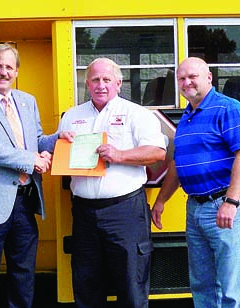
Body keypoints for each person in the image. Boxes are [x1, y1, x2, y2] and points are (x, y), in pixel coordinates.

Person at [0, 43, 70, 308]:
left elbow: (36, 140)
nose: (3, 72)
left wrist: (59, 140)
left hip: (24, 201)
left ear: (17, 70)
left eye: (9, 66)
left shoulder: (27, 101)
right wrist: (31, 160)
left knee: (23, 275)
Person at [58, 57, 166, 308]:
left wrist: (119, 155)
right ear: (87, 83)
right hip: (84, 212)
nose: (101, 85)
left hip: (124, 211)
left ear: (119, 83)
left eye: (107, 79)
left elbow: (157, 152)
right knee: (86, 285)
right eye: (95, 79)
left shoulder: (136, 114)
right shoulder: (72, 117)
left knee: (131, 285)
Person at [151, 57, 240, 308]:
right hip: (196, 209)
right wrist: (162, 200)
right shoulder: (187, 117)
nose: (186, 82)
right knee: (202, 286)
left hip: (224, 205)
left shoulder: (228, 108)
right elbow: (178, 165)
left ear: (209, 77)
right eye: (181, 78)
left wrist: (231, 201)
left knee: (233, 289)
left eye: (192, 77)